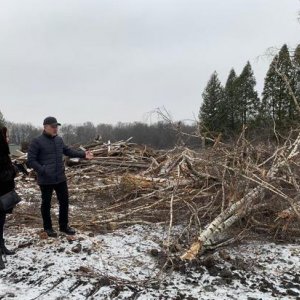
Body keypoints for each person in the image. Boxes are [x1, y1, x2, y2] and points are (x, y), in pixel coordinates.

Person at [27, 117, 93, 237]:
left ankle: (64, 226)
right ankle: (48, 228)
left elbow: (68, 151)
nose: (55, 128)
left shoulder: (59, 140)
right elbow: (31, 160)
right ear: (45, 127)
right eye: (53, 126)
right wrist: (43, 170)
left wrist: (83, 154)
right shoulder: (37, 141)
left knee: (64, 202)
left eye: (56, 126)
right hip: (46, 179)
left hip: (60, 178)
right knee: (46, 204)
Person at [0, 127, 17, 269]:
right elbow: (2, 175)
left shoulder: (3, 153)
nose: (8, 138)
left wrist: (14, 169)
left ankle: (1, 246)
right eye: (7, 135)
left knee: (1, 223)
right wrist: (12, 171)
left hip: (3, 194)